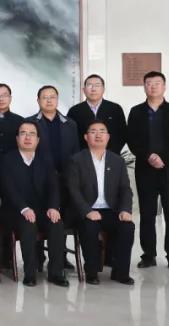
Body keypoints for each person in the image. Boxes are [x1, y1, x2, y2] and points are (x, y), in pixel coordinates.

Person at [127, 71, 169, 271]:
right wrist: (149, 156)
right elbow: (132, 139)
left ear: (164, 86)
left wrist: (163, 159)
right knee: (147, 214)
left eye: (157, 83)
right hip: (145, 170)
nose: (153, 86)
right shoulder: (136, 112)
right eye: (149, 83)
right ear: (144, 86)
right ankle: (149, 255)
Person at [0, 121, 69, 287]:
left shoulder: (45, 159)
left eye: (32, 134)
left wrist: (53, 207)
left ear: (38, 140)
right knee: (28, 225)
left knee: (57, 224)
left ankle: (56, 272)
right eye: (23, 133)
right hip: (16, 211)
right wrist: (24, 208)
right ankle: (30, 273)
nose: (27, 137)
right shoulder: (7, 159)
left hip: (42, 210)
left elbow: (53, 186)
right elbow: (8, 189)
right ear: (17, 138)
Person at [67, 121, 135, 285]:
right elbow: (73, 190)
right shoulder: (76, 160)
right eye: (93, 131)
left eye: (102, 131)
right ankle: (91, 272)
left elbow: (125, 189)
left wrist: (125, 209)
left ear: (108, 137)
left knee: (127, 227)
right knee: (89, 227)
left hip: (110, 210)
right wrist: (87, 211)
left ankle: (120, 272)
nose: (98, 135)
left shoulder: (117, 161)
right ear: (86, 137)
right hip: (85, 210)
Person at [68, 74, 127, 153]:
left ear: (103, 89)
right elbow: (70, 136)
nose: (93, 89)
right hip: (83, 157)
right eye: (89, 85)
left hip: (110, 155)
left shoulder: (115, 109)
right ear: (84, 90)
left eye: (97, 85)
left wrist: (110, 154)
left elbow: (123, 134)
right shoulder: (74, 111)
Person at [28, 86, 79, 175]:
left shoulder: (70, 124)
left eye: (52, 97)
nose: (49, 101)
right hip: (39, 175)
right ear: (38, 101)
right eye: (45, 97)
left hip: (67, 175)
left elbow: (76, 152)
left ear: (57, 99)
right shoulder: (29, 123)